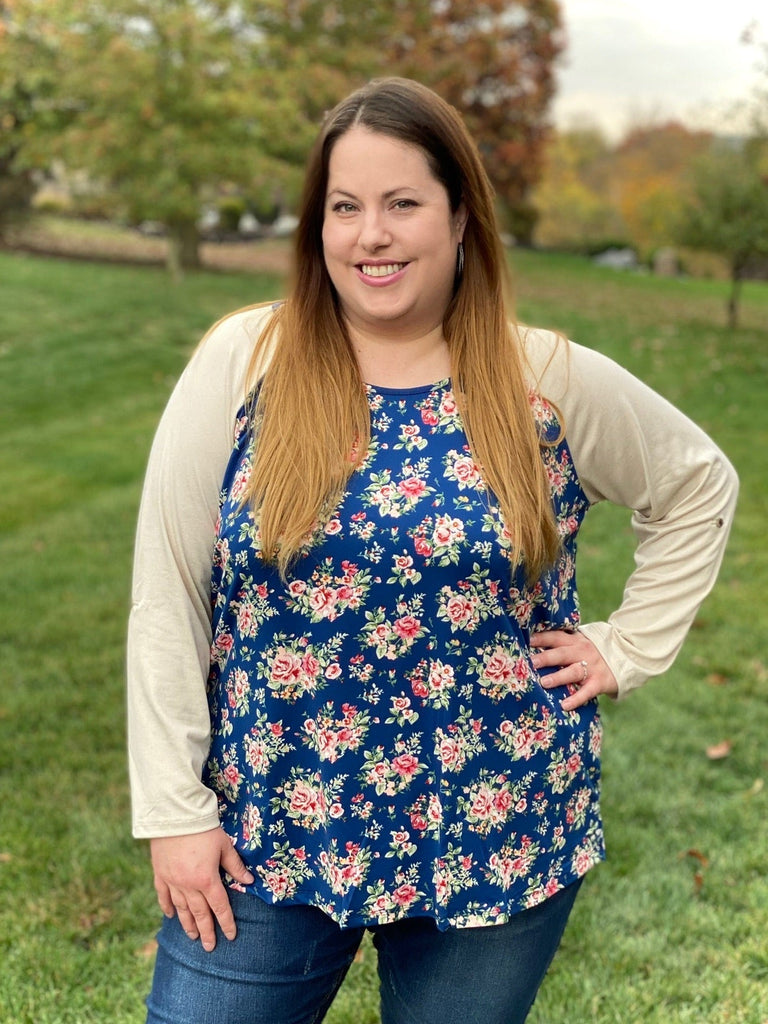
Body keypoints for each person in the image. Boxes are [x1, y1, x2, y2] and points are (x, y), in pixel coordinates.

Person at [127, 77, 738, 1024]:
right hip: (269, 826)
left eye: (402, 203)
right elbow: (168, 590)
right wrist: (174, 810)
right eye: (344, 207)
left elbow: (698, 483)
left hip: (496, 824)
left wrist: (627, 646)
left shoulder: (544, 376)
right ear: (316, 228)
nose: (371, 234)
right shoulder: (248, 360)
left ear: (460, 220)